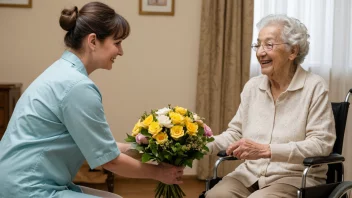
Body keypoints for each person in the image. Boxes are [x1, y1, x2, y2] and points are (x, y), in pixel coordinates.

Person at [0, 2, 183, 198]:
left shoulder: (62, 72)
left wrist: (143, 145)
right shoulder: (77, 86)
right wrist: (160, 173)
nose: (121, 51)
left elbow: (102, 148)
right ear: (93, 41)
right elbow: (110, 161)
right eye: (117, 42)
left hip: (17, 181)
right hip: (27, 188)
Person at [205, 14, 336, 198]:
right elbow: (235, 134)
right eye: (258, 45)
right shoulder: (252, 87)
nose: (260, 52)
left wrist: (268, 150)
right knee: (215, 196)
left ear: (293, 51)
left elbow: (321, 144)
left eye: (269, 45)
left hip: (293, 177)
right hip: (249, 176)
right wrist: (199, 144)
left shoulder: (314, 87)